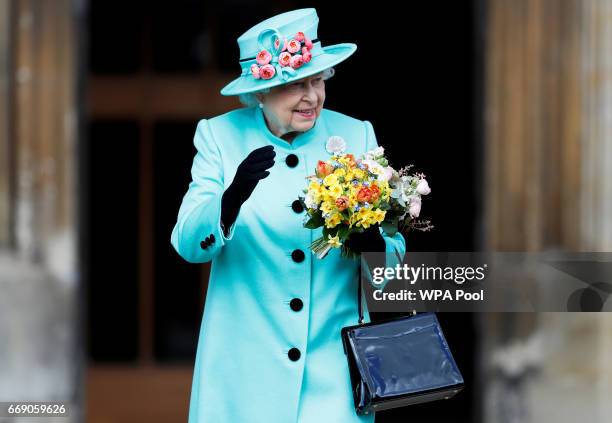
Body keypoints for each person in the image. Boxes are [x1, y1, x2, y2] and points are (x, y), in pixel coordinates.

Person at [170, 8, 406, 422]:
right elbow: (189, 244)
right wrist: (227, 203)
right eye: (295, 84)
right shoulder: (219, 136)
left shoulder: (356, 134)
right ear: (259, 92)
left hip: (334, 372)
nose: (311, 96)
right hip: (245, 373)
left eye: (317, 80)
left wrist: (375, 247)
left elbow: (393, 261)